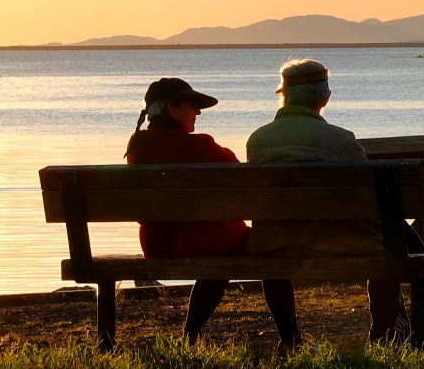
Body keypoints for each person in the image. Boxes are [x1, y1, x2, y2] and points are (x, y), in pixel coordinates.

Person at [246, 59, 424, 343]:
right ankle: (388, 330)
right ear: (325, 96)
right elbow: (372, 200)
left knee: (385, 223)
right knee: (387, 225)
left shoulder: (257, 140)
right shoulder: (340, 140)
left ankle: (290, 339)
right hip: (336, 242)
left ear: (284, 95)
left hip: (275, 242)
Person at [125, 77, 301, 350]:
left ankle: (191, 337)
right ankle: (291, 340)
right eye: (193, 105)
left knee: (217, 260)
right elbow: (237, 173)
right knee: (271, 250)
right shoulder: (200, 146)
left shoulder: (136, 146)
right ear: (172, 107)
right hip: (210, 242)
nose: (198, 111)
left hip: (159, 245)